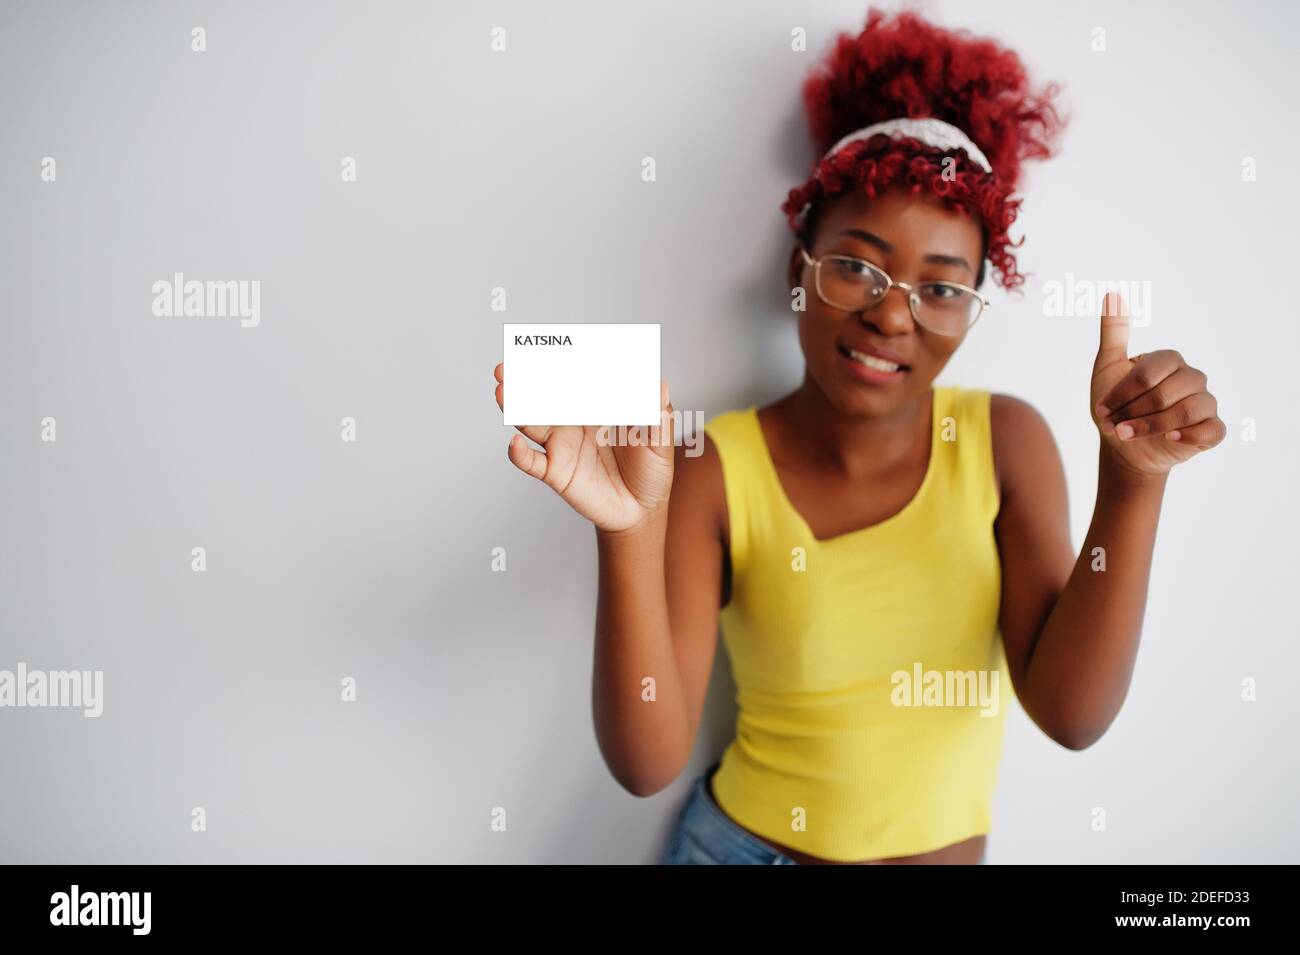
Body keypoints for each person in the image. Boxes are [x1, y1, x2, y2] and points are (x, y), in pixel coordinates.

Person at [491, 9, 1224, 864]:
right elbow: (647, 763)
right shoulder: (711, 464)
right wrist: (625, 533)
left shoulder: (1006, 443)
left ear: (973, 308)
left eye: (941, 287)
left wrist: (1134, 483)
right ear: (797, 267)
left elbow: (1072, 714)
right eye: (856, 265)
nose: (890, 314)